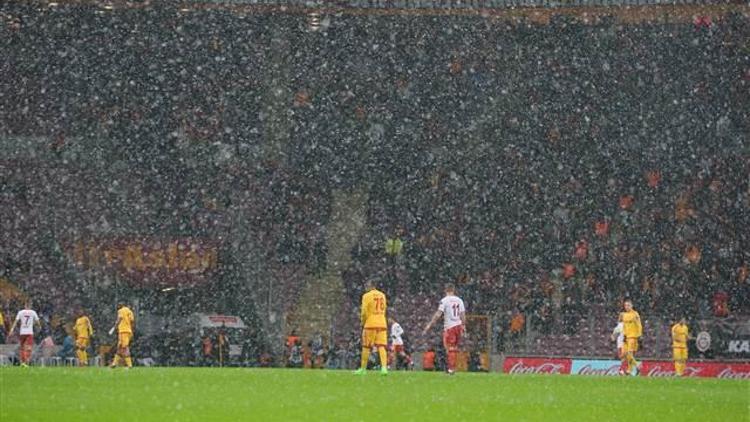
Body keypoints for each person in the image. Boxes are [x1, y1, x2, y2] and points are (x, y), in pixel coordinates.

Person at [422, 283, 466, 375]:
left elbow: (438, 314)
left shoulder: (444, 300)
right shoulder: (459, 300)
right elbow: (462, 314)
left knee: (450, 348)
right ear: (453, 290)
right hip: (458, 325)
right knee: (453, 348)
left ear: (445, 290)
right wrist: (463, 325)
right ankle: (451, 367)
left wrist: (429, 325)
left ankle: (451, 369)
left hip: (450, 327)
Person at [354, 280, 388, 376]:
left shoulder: (366, 296)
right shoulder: (382, 295)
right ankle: (384, 368)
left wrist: (363, 321)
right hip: (382, 323)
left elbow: (364, 311)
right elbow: (384, 308)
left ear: (370, 286)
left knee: (366, 346)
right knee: (381, 346)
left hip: (370, 323)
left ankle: (363, 369)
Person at [8, 300, 41, 367]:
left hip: (22, 332)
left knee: (22, 347)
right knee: (29, 347)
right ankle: (26, 361)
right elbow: (38, 322)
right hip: (29, 332)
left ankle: (23, 362)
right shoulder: (33, 312)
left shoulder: (20, 312)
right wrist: (38, 326)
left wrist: (12, 329)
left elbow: (16, 321)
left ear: (25, 305)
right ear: (30, 306)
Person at [620, 299, 642, 376]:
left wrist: (639, 335)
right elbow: (624, 326)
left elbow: (639, 325)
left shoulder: (635, 314)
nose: (627, 307)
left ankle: (633, 368)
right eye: (625, 305)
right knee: (623, 354)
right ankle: (632, 368)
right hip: (626, 336)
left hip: (633, 336)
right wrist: (624, 334)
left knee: (629, 353)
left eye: (628, 305)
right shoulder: (623, 315)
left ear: (632, 306)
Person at [109, 303, 135, 368]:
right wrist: (131, 331)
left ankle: (129, 365)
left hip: (123, 331)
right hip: (127, 331)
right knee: (120, 347)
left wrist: (114, 327)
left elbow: (119, 319)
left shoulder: (121, 311)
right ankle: (114, 364)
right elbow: (132, 322)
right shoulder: (130, 311)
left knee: (125, 347)